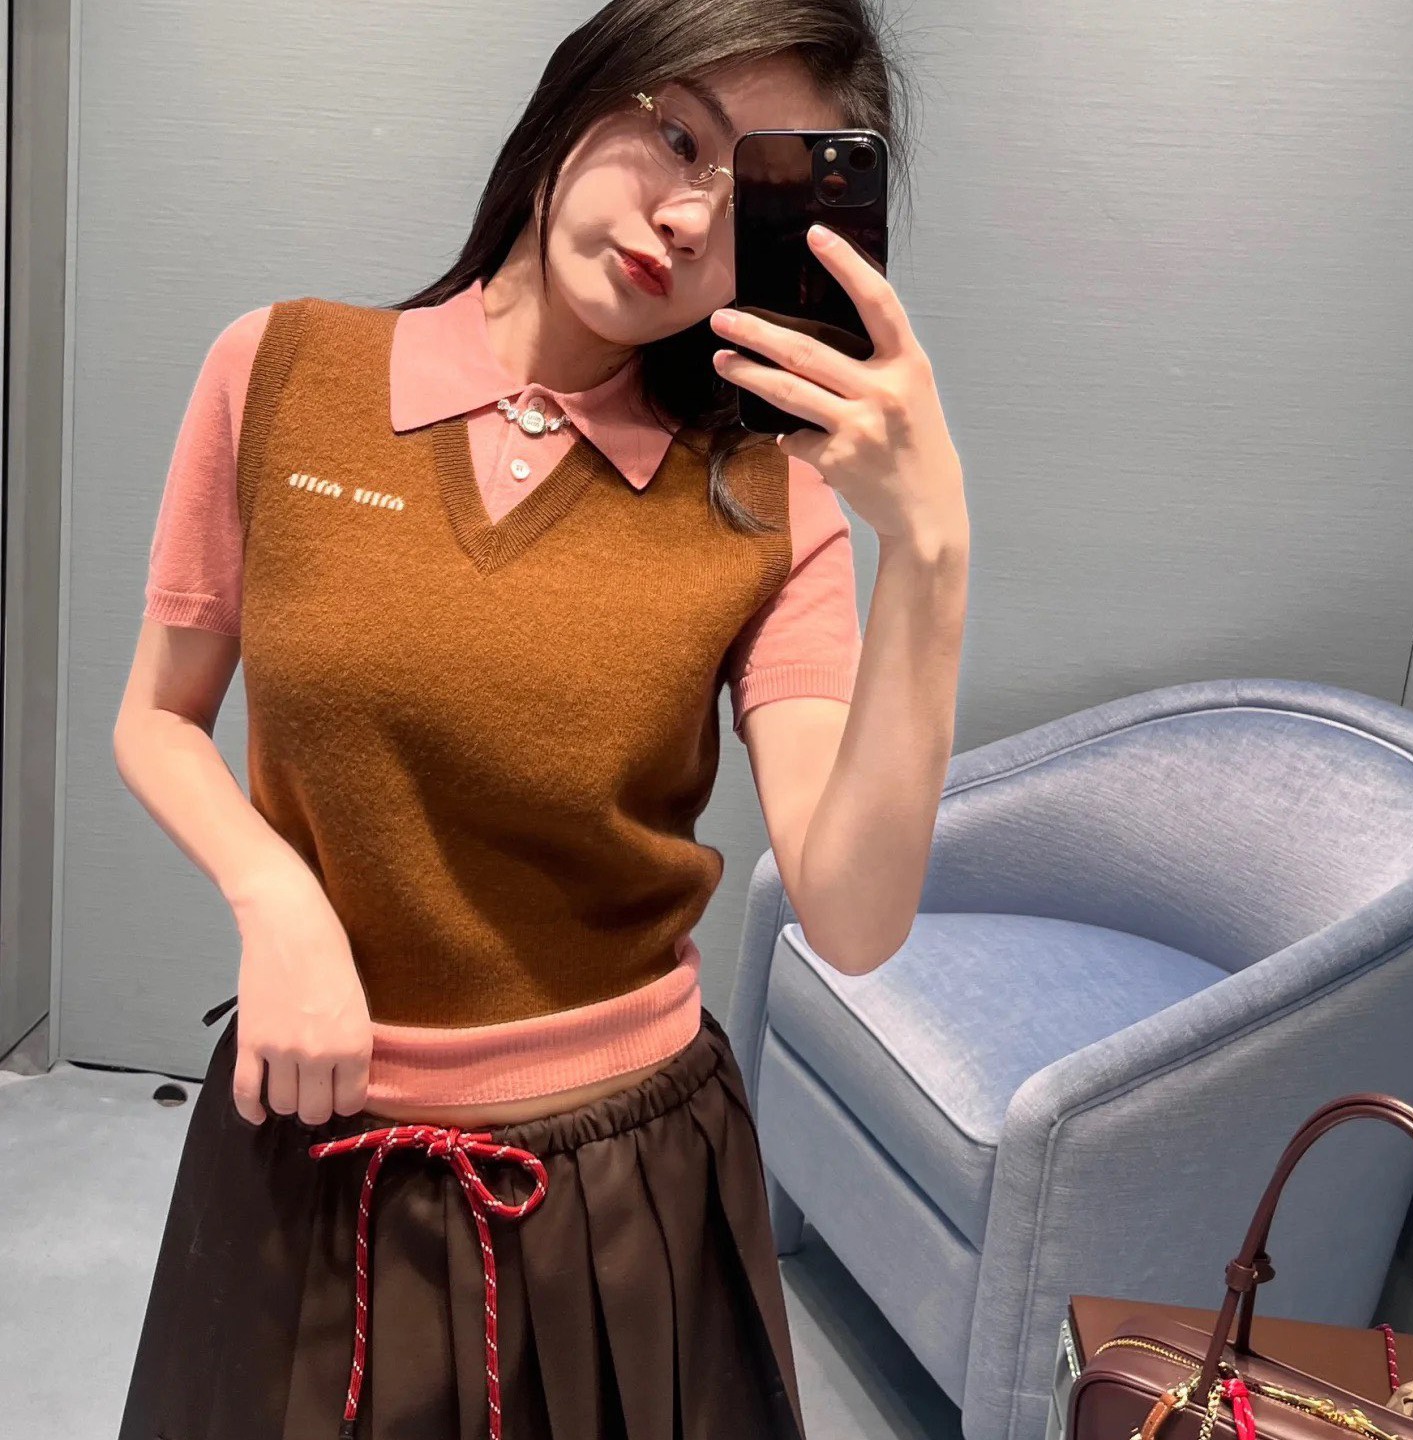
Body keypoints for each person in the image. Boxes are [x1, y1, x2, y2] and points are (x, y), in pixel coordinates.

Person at [112, 3, 970, 1437]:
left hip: (623, 1188)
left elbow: (855, 914)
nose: (687, 217)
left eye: (749, 191)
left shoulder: (770, 500)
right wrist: (277, 896)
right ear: (582, 99)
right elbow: (157, 717)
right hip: (313, 1131)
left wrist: (931, 553)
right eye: (676, 134)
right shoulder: (281, 371)